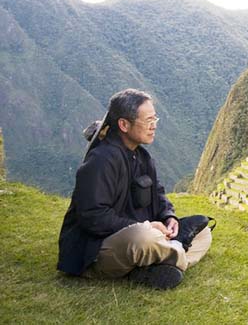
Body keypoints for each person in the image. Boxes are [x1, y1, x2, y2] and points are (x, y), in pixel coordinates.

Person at [57, 88, 212, 289]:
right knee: (144, 237)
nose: (153, 126)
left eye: (155, 120)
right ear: (123, 124)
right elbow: (93, 217)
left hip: (136, 240)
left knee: (204, 232)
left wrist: (168, 217)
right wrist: (148, 226)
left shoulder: (141, 157)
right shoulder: (100, 161)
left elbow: (158, 194)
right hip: (95, 251)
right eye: (148, 121)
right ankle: (176, 250)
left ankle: (155, 265)